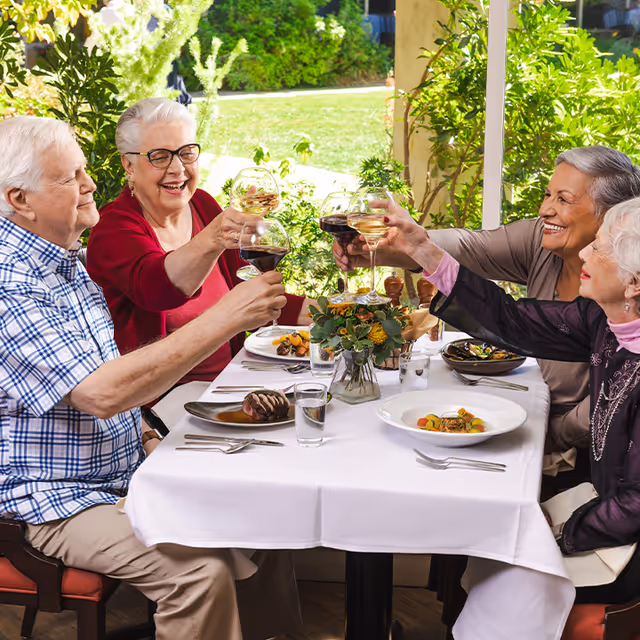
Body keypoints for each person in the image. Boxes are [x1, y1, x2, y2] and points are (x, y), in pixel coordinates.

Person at [0, 115, 302, 640]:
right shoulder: (10, 282)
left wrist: (147, 435)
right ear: (20, 199)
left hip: (123, 470)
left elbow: (104, 383)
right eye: (70, 177)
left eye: (85, 170)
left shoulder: (69, 260)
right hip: (52, 499)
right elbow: (99, 393)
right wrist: (227, 317)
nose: (90, 184)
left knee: (264, 511)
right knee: (197, 575)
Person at [381, 195, 640, 605]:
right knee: (485, 555)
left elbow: (636, 504)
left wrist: (561, 536)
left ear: (635, 283)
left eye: (602, 245)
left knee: (498, 579)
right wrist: (422, 250)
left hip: (627, 547)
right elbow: (512, 319)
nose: (587, 249)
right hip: (605, 514)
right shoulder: (606, 322)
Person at [334, 147, 640, 463]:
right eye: (548, 195)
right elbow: (481, 272)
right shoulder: (552, 256)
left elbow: (601, 416)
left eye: (563, 199)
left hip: (583, 456)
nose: (544, 209)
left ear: (618, 217)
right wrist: (385, 249)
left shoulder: (622, 316)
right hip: (539, 426)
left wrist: (536, 437)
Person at [87, 97, 310, 390]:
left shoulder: (202, 204)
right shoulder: (113, 228)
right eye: (160, 156)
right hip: (160, 406)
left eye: (186, 153)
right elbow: (157, 288)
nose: (178, 169)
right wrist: (214, 238)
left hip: (231, 386)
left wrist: (333, 313)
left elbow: (248, 297)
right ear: (128, 164)